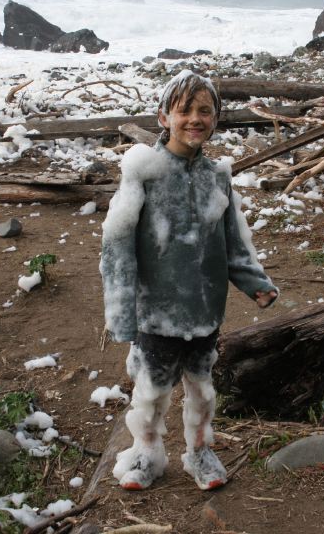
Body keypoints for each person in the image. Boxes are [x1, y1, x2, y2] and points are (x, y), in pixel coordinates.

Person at [100, 69, 278, 491]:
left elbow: (234, 241)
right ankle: (146, 452)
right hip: (156, 311)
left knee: (201, 386)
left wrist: (255, 282)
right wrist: (121, 314)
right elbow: (117, 248)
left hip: (204, 307)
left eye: (205, 110)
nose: (195, 119)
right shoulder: (144, 172)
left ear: (216, 118)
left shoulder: (218, 176)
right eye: (184, 110)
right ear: (164, 117)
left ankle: (199, 451)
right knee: (152, 388)